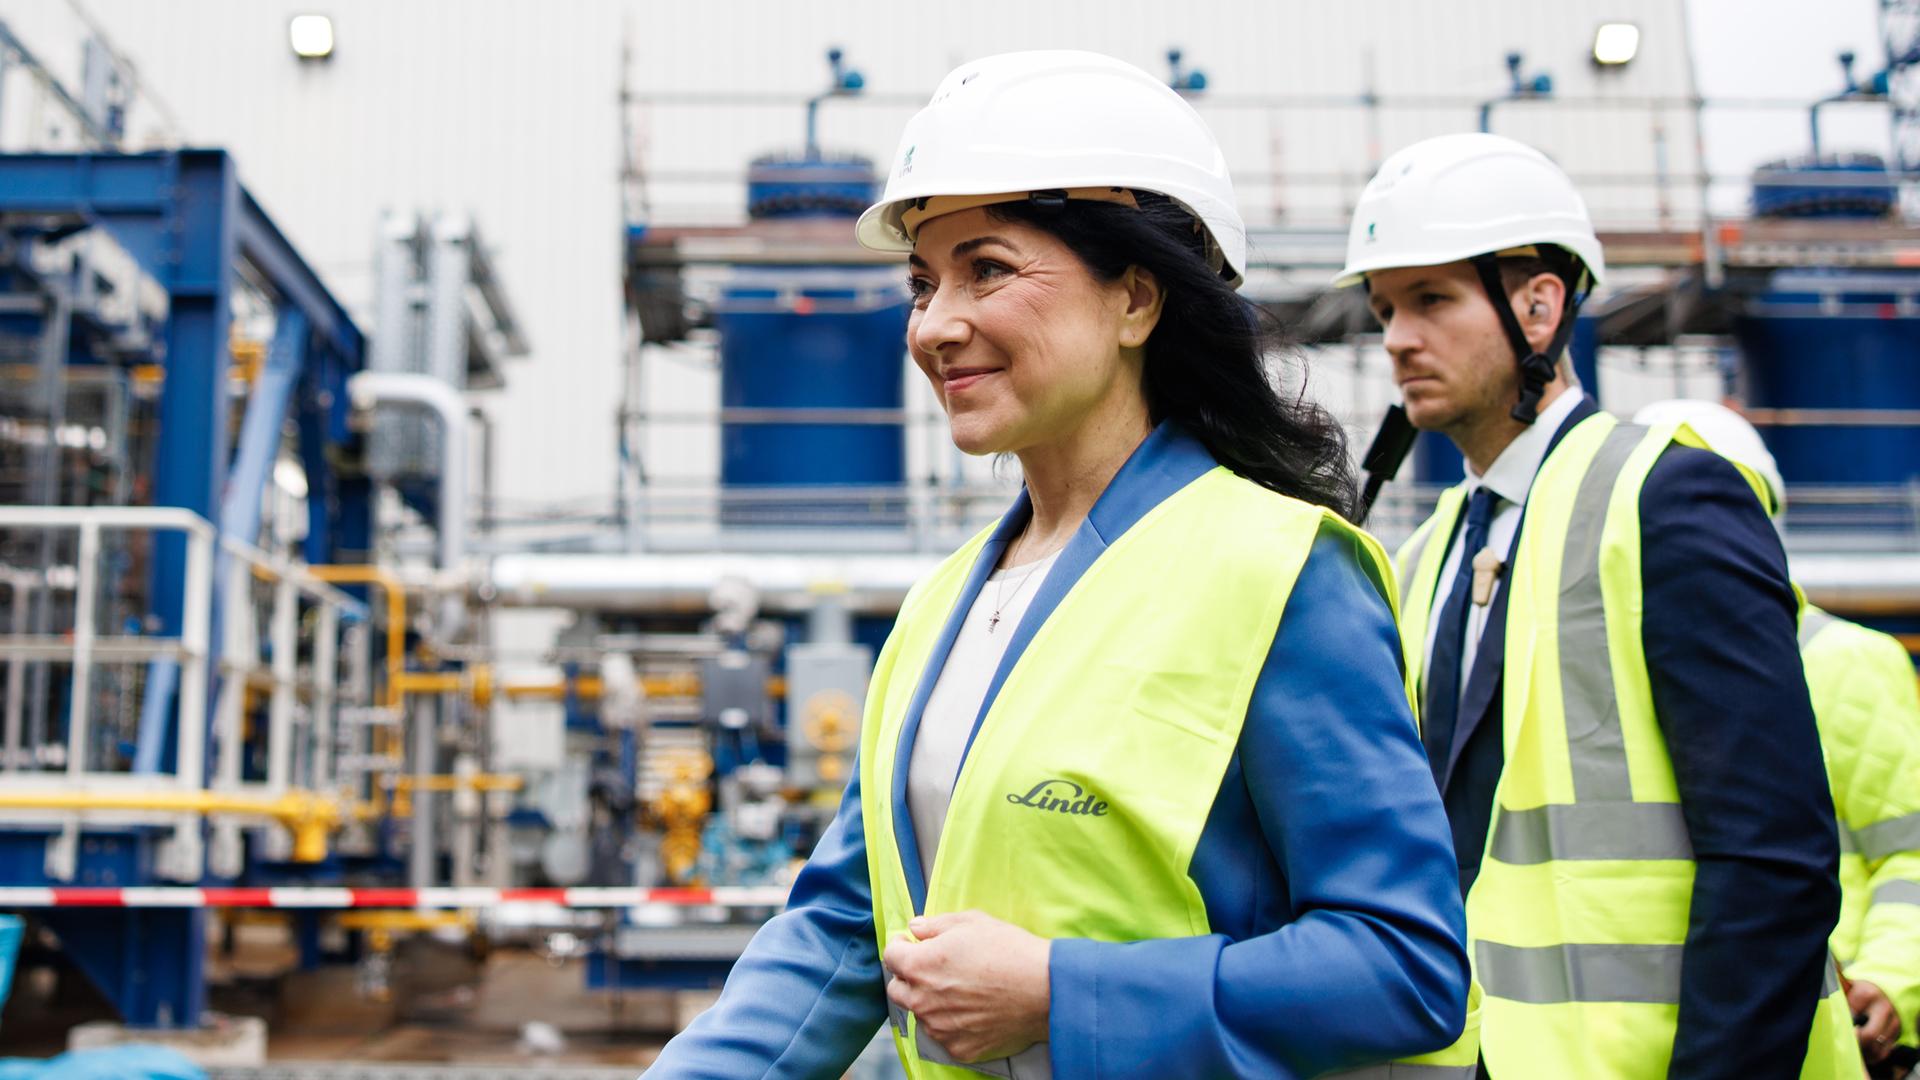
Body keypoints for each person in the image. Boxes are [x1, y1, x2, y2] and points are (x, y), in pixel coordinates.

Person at [646, 51, 1471, 1079]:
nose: (935, 325)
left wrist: (1058, 991)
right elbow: (845, 930)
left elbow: (1404, 968)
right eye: (922, 283)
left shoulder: (1279, 573)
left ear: (1136, 301)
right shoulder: (941, 607)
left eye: (987, 270)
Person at [1335, 131, 1860, 1079]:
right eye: (1385, 309)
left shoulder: (1669, 497)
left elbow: (1772, 857)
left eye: (1431, 300)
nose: (1398, 339)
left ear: (1539, 308)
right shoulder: (1420, 554)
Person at [1635, 398, 1920, 1073]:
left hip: (1818, 1024)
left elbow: (1910, 853)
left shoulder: (1844, 661)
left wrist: (1890, 979)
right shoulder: (1612, 668)